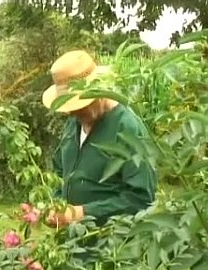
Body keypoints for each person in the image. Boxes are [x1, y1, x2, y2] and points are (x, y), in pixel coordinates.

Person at [41, 50, 158, 227]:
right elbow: (59, 169)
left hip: (112, 248)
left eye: (80, 104)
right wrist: (56, 205)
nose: (72, 112)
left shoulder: (128, 128)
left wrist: (83, 213)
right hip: (73, 245)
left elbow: (140, 199)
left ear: (99, 90)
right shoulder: (74, 123)